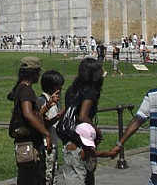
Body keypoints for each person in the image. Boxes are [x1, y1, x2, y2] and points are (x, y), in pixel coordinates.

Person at [60, 56, 105, 185]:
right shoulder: (90, 90)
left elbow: (66, 110)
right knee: (84, 175)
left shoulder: (72, 89)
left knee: (74, 175)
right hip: (82, 140)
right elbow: (83, 116)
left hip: (69, 138)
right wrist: (98, 132)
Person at [8, 56, 51, 185]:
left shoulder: (20, 88)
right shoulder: (27, 90)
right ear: (33, 74)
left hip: (24, 143)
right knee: (32, 178)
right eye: (38, 72)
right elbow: (28, 114)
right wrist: (46, 133)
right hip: (30, 143)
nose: (39, 75)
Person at [37, 70, 64, 185]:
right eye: (59, 86)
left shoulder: (55, 100)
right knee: (47, 173)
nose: (60, 89)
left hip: (53, 142)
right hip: (46, 143)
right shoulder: (43, 100)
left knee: (54, 172)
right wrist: (59, 116)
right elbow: (41, 122)